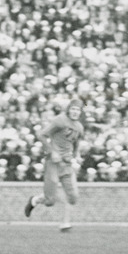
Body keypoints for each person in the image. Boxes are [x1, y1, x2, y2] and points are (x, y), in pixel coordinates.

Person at [24, 98, 84, 231]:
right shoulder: (60, 120)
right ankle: (35, 200)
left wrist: (77, 155)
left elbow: (77, 142)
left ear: (80, 112)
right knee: (50, 201)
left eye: (77, 110)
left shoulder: (79, 126)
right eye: (73, 109)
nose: (75, 112)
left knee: (73, 197)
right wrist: (52, 152)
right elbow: (41, 135)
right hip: (53, 163)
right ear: (68, 109)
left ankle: (65, 223)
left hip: (67, 164)